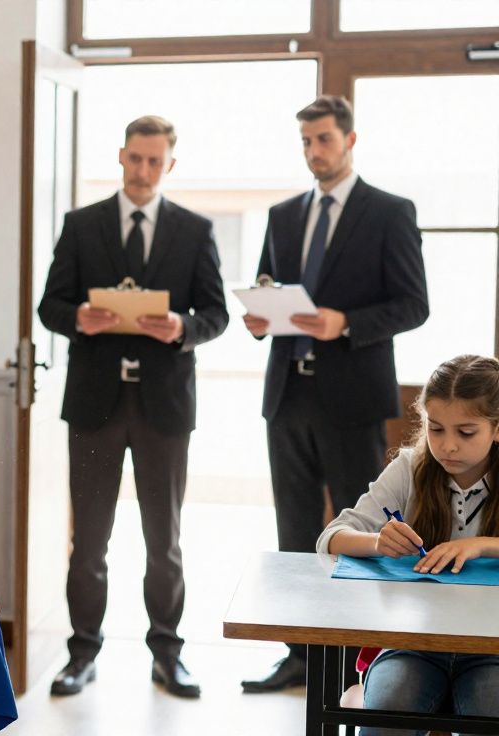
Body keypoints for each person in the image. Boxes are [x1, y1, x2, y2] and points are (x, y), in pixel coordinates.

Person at [241, 95, 429, 693]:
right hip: (287, 394)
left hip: (352, 396)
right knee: (293, 532)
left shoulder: (389, 212)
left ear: (350, 140)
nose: (313, 152)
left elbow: (413, 305)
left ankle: (358, 656)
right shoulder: (283, 214)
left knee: (360, 530)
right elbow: (270, 286)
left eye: (323, 139)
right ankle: (298, 655)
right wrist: (260, 319)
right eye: (305, 141)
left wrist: (344, 321)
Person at [37, 115, 227, 699]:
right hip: (95, 405)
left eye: (154, 161)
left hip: (164, 407)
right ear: (121, 157)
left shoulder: (195, 231)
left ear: (170, 164)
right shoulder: (81, 225)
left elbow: (215, 316)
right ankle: (81, 654)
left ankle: (168, 654)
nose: (143, 171)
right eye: (134, 159)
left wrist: (180, 327)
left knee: (163, 540)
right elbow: (50, 307)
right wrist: (76, 320)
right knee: (89, 541)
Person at [317, 354, 499, 733]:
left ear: (496, 428)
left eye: (465, 432)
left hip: (492, 650)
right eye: (436, 429)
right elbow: (331, 538)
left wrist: (481, 545)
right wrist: (377, 542)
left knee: (489, 713)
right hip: (411, 644)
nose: (448, 446)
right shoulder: (409, 468)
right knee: (387, 715)